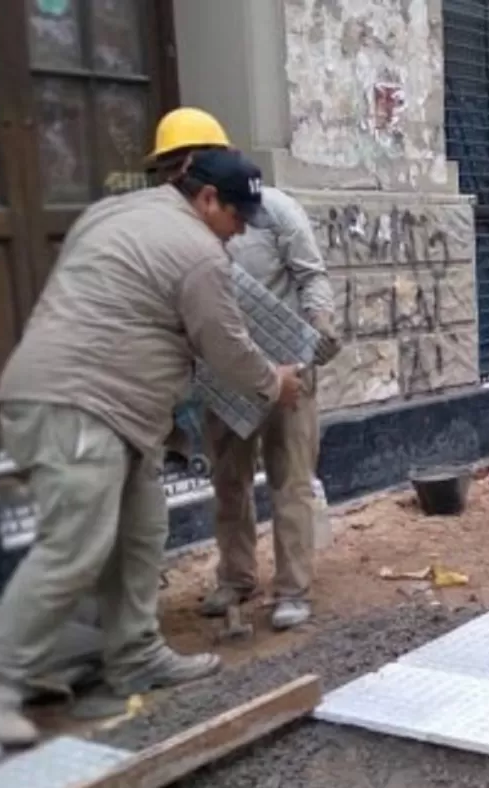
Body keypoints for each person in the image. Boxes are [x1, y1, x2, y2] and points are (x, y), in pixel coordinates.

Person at [0, 149, 304, 745]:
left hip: (109, 409)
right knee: (75, 549)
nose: (241, 228)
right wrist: (277, 383)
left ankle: (135, 653)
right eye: (237, 215)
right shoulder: (199, 254)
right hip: (79, 405)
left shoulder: (110, 212)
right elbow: (226, 346)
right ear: (207, 199)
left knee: (141, 531)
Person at [145, 108, 341, 631]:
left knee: (290, 480)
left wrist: (319, 327)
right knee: (228, 481)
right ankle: (236, 578)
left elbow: (311, 276)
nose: (172, 174)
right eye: (164, 167)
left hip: (286, 368)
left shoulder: (274, 211)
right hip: (224, 372)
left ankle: (292, 589)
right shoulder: (175, 229)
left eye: (179, 162)